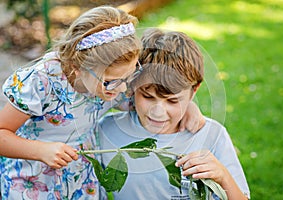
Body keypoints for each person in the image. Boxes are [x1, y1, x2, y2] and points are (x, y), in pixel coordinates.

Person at [0, 6, 205, 200]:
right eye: (111, 82)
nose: (124, 90)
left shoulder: (117, 80)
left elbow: (152, 102)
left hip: (80, 180)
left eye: (132, 74)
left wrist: (187, 106)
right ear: (76, 67)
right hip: (33, 181)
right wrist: (40, 151)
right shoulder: (42, 82)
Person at [98, 28, 250, 199]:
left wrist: (224, 177)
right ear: (132, 84)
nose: (158, 111)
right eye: (147, 96)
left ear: (194, 91)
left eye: (172, 101)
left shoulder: (212, 136)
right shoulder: (107, 131)